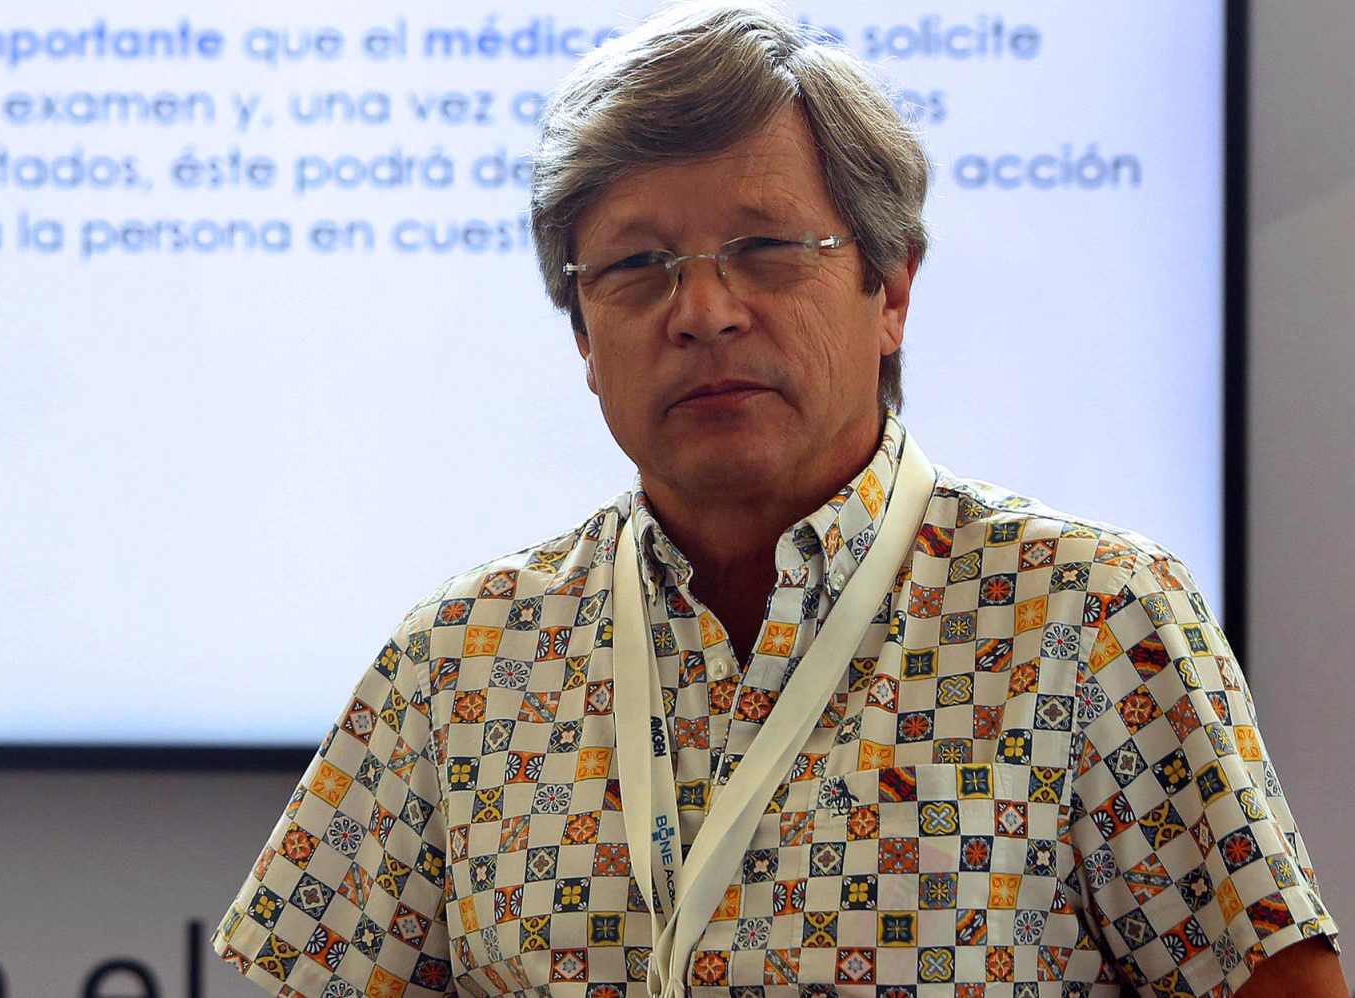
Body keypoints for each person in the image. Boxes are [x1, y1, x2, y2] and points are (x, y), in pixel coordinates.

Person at [213, 3, 1343, 995]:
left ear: (891, 288)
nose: (701, 310)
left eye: (762, 248)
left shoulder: (1096, 619)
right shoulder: (454, 660)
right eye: (638, 266)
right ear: (583, 337)